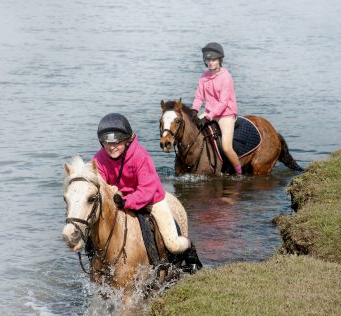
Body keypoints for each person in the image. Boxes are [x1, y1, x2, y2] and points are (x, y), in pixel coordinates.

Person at [92, 113, 201, 271]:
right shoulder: (100, 158)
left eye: (118, 142)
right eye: (107, 142)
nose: (112, 146)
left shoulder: (140, 156)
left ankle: (189, 250)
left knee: (173, 244)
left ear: (127, 139)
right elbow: (97, 182)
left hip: (151, 200)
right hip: (120, 202)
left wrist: (126, 202)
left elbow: (147, 190)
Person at [190, 42, 242, 175]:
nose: (211, 62)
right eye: (208, 60)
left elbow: (223, 103)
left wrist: (208, 116)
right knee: (191, 130)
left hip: (226, 115)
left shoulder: (226, 77)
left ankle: (239, 172)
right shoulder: (204, 77)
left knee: (226, 147)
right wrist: (194, 111)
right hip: (209, 112)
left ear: (220, 60)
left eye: (213, 59)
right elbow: (199, 97)